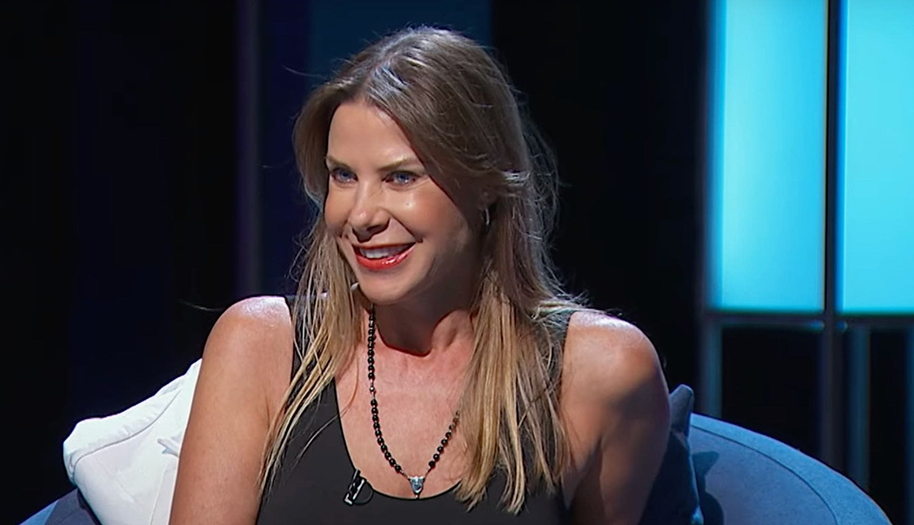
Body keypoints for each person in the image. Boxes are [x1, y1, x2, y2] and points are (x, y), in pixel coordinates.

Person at [169, 27, 670, 524]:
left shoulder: (601, 373)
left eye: (400, 177)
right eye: (343, 175)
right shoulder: (260, 347)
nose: (360, 215)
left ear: (486, 184)